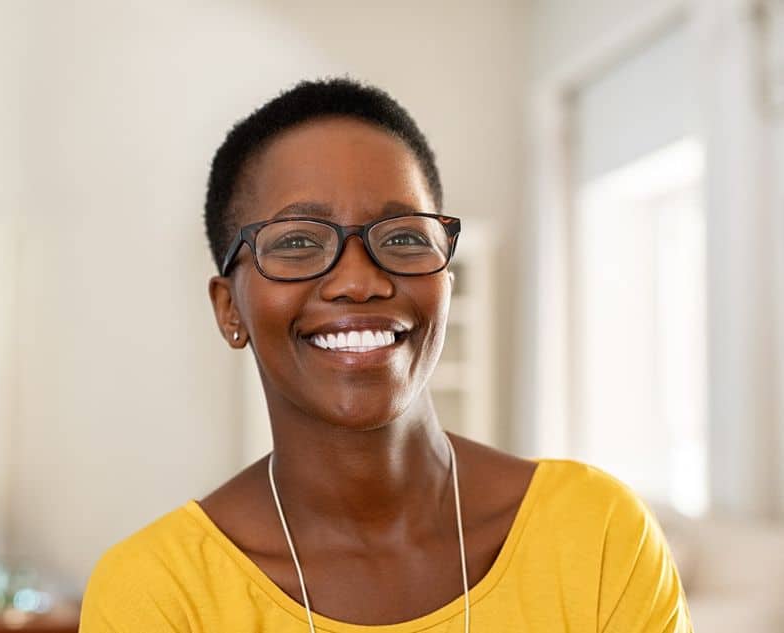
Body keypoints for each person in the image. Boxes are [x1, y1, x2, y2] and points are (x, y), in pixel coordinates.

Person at [79, 77, 694, 632]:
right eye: (297, 241)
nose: (358, 281)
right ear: (229, 309)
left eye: (403, 238)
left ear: (446, 281)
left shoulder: (596, 533)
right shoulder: (159, 593)